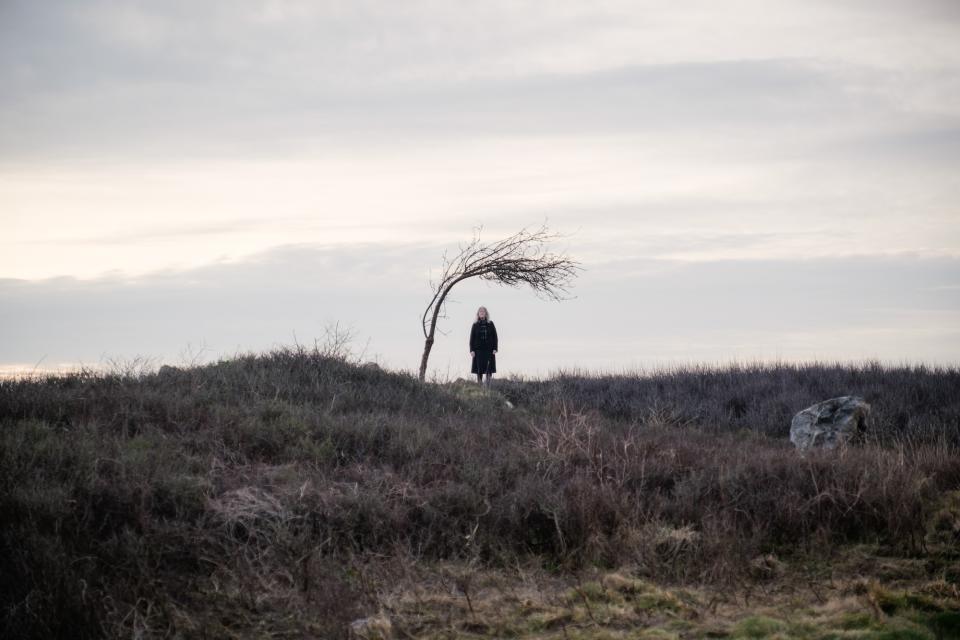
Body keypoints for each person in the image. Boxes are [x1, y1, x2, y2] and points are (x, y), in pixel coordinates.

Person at [469, 306, 498, 386]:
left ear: (486, 314)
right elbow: (471, 339)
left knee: (489, 369)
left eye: (483, 311)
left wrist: (495, 348)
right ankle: (479, 385)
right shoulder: (475, 325)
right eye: (480, 312)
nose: (481, 313)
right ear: (478, 314)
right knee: (479, 369)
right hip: (478, 351)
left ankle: (488, 385)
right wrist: (471, 350)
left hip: (489, 350)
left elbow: (495, 337)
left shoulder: (490, 324)